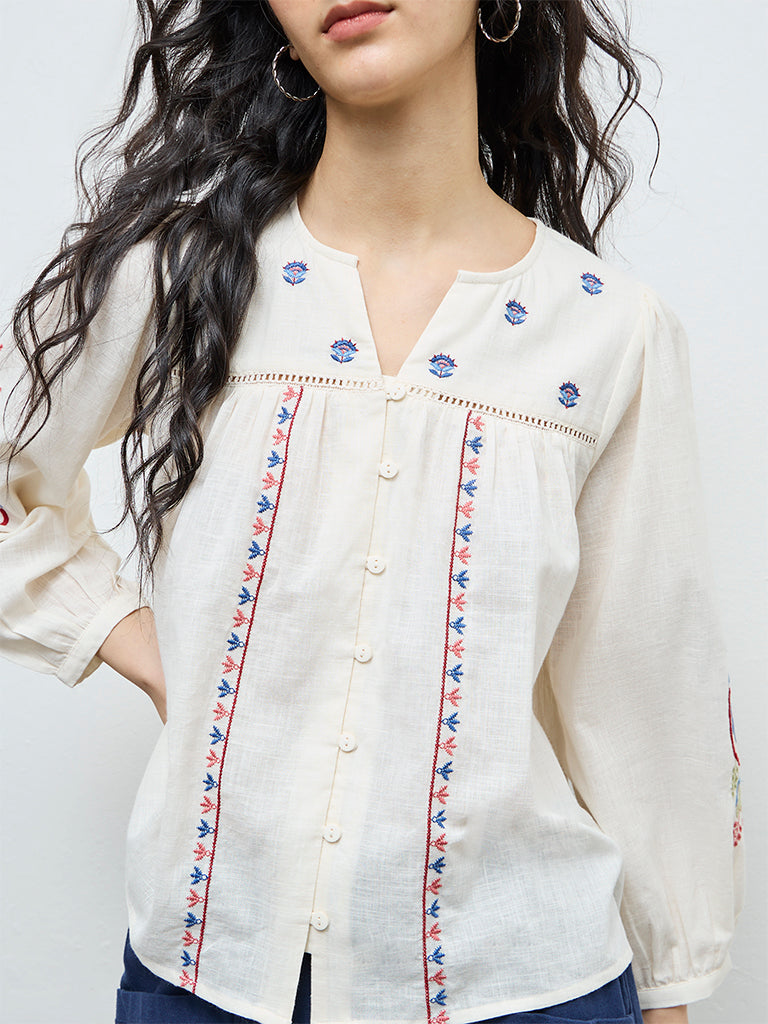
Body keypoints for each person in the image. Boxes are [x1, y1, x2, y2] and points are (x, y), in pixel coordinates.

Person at [0, 2, 744, 1023]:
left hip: (526, 983)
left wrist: (672, 985)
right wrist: (138, 643)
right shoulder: (180, 274)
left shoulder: (608, 334)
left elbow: (648, 696)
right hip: (206, 977)